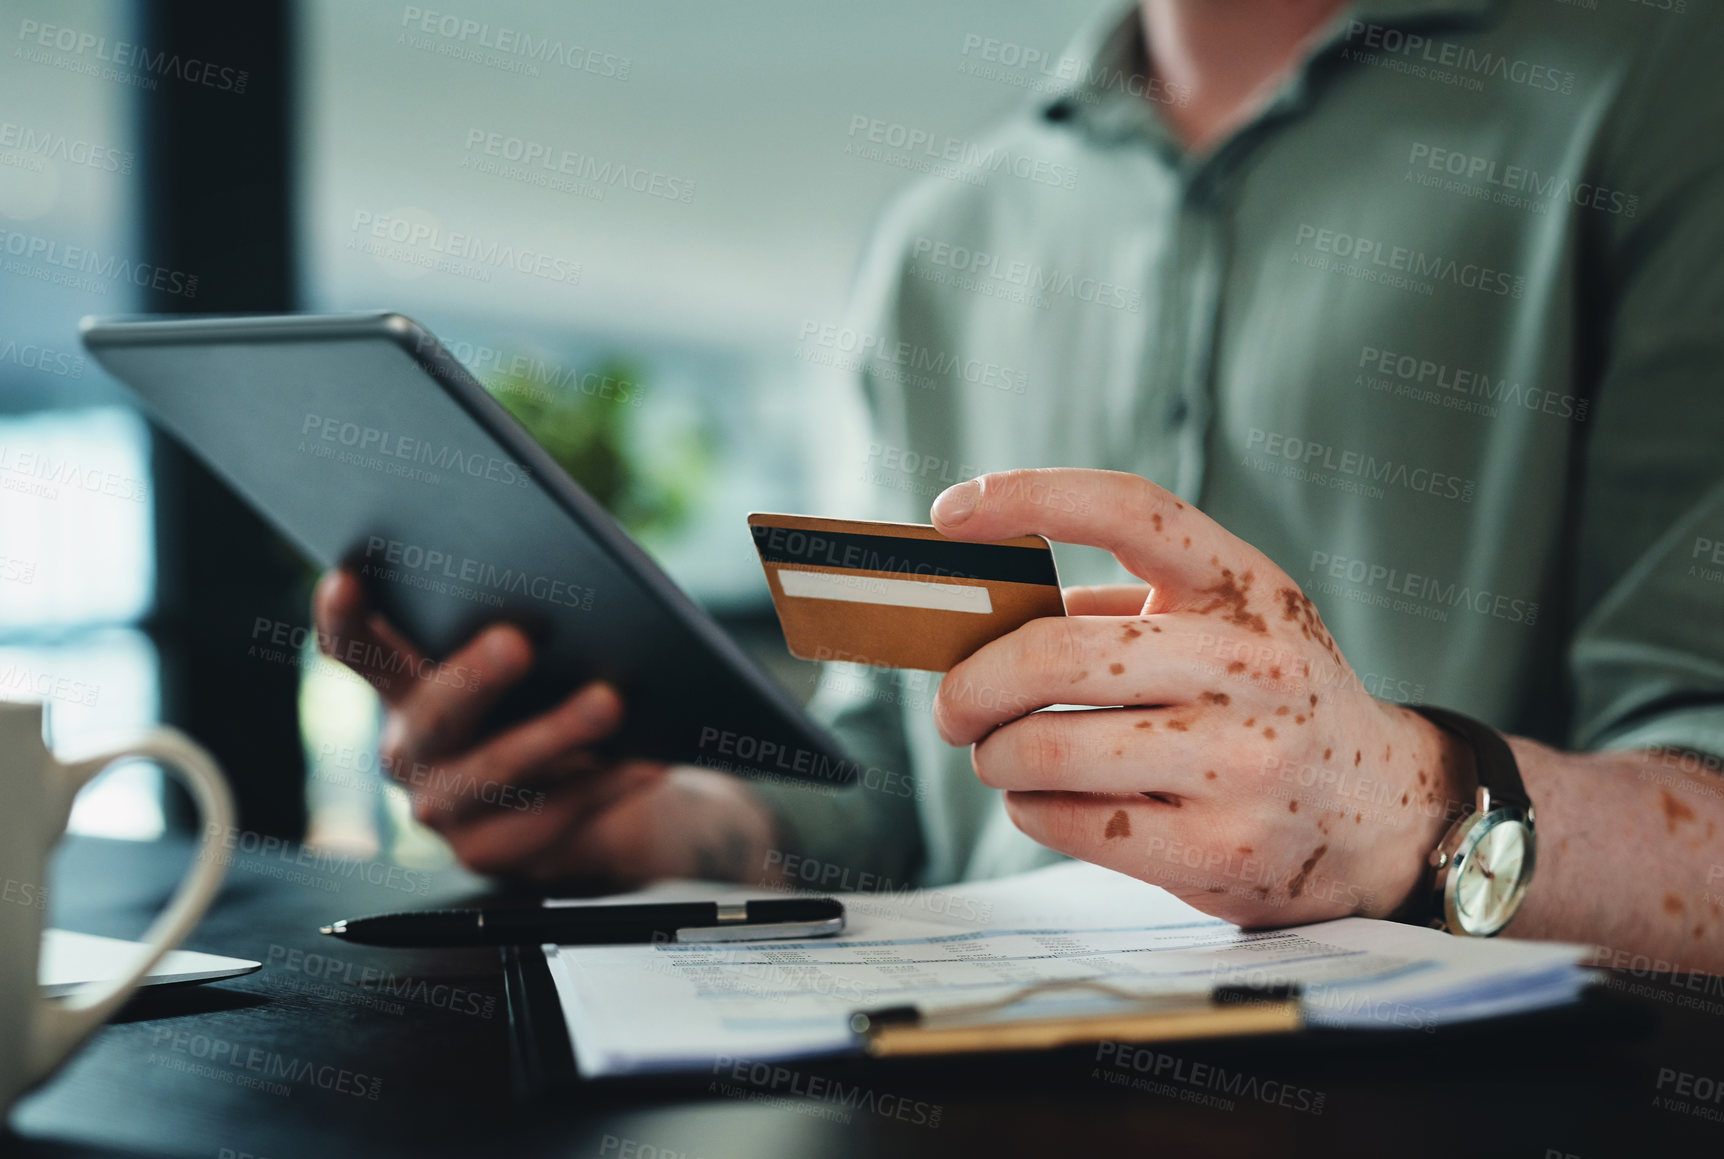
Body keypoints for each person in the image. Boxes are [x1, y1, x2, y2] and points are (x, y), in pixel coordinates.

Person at [315, 0, 1724, 967]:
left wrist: (1412, 807)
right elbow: (901, 800)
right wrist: (653, 826)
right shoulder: (947, 235)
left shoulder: (1670, 92)